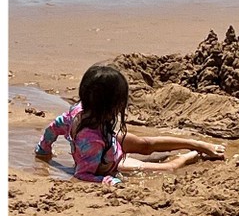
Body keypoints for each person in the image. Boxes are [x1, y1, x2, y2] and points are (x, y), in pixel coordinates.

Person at [35, 63, 225, 185]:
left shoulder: (77, 110)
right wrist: (109, 180)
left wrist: (43, 149)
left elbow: (53, 128)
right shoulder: (90, 143)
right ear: (111, 106)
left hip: (108, 141)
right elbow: (83, 174)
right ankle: (191, 155)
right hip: (110, 162)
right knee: (167, 168)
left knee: (146, 145)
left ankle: (196, 143)